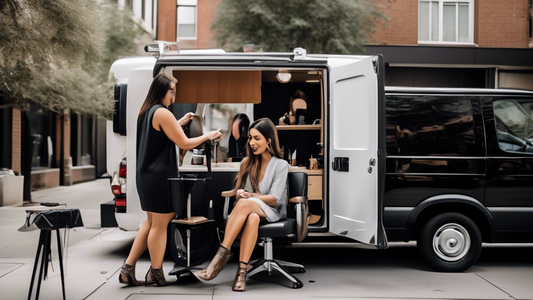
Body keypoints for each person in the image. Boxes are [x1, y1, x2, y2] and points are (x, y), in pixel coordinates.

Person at [119, 73, 223, 287]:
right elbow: (184, 143)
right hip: (160, 177)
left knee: (150, 223)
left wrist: (179, 122)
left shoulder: (147, 111)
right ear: (162, 91)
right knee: (160, 224)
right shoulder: (162, 113)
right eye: (172, 91)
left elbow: (161, 133)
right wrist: (208, 135)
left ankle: (127, 269)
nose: (174, 95)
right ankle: (155, 273)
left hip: (147, 176)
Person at [195, 117, 289, 292]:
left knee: (247, 205)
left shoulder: (281, 165)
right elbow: (243, 193)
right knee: (252, 217)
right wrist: (239, 193)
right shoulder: (248, 163)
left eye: (257, 138)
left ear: (269, 140)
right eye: (250, 138)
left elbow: (274, 199)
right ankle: (241, 273)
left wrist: (250, 196)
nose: (252, 143)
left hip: (273, 211)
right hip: (253, 210)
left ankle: (218, 260)